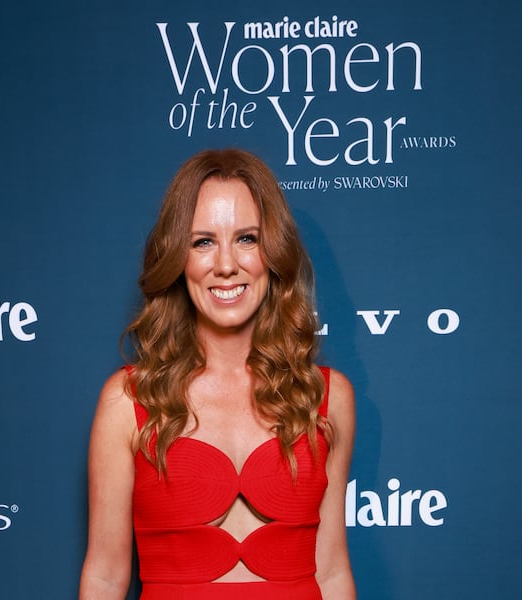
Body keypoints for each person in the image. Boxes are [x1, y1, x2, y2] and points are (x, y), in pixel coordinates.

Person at [79, 148, 356, 600]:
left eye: (247, 238)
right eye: (202, 241)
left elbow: (331, 572)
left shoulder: (324, 396)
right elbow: (106, 576)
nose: (226, 264)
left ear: (274, 251)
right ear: (177, 258)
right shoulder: (128, 399)